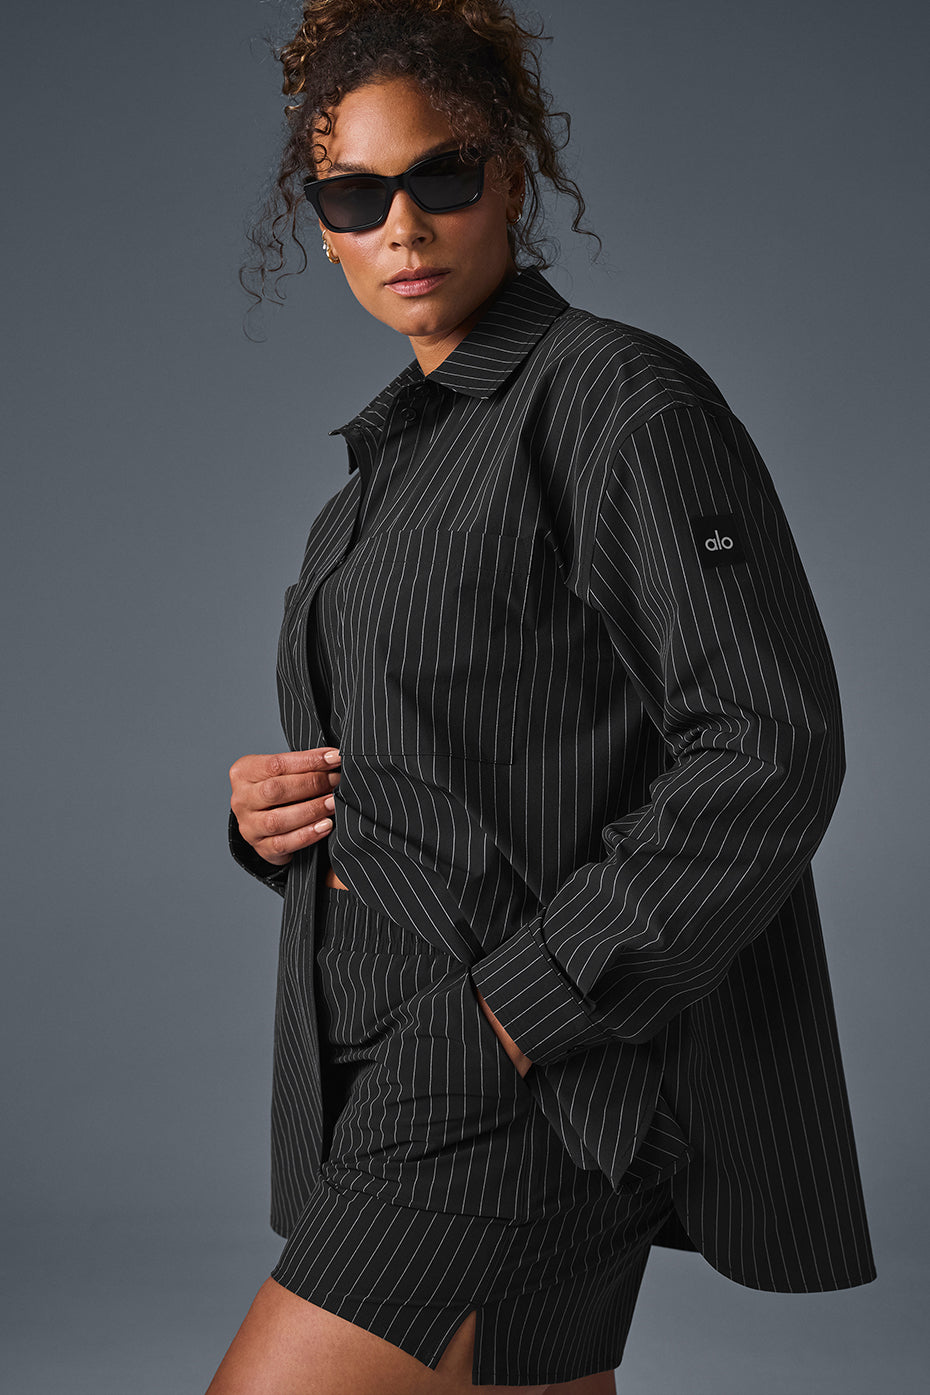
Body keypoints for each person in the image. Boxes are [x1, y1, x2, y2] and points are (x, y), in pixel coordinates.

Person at [210, 2, 876, 1391]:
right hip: (406, 1057)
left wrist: (516, 1013)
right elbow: (471, 760)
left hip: (516, 1071)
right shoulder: (385, 475)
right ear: (320, 228)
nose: (401, 225)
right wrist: (276, 825)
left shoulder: (619, 402)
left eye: (440, 177)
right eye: (354, 196)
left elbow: (767, 748)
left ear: (508, 177)